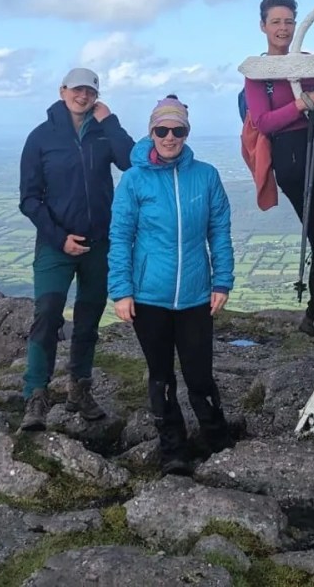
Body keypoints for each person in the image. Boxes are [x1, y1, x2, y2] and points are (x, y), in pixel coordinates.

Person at [108, 95, 235, 475]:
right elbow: (119, 236)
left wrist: (222, 281)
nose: (170, 136)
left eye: (177, 130)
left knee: (199, 376)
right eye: (162, 130)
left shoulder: (206, 175)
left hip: (196, 294)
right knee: (161, 376)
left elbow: (220, 231)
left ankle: (217, 439)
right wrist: (122, 291)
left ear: (186, 133)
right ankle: (173, 450)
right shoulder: (134, 180)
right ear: (151, 133)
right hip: (150, 296)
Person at [18, 67, 135, 431]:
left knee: (88, 321)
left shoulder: (103, 133)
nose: (82, 96)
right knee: (48, 314)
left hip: (100, 243)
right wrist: (59, 237)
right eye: (77, 90)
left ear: (97, 96)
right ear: (62, 90)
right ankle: (35, 396)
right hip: (56, 244)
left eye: (90, 92)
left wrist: (111, 121)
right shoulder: (40, 138)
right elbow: (29, 199)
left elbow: (132, 162)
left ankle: (79, 389)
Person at [243, 0, 314, 347]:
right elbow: (263, 120)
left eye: (289, 21)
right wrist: (302, 103)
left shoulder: (306, 61)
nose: (283, 28)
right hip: (291, 153)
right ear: (263, 26)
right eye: (276, 21)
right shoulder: (259, 72)